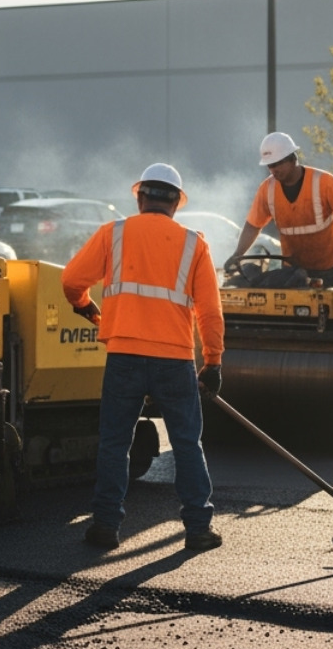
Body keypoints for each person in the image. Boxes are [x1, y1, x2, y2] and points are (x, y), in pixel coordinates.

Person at [63, 163, 226, 552]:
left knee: (115, 443)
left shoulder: (113, 234)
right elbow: (209, 311)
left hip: (124, 355)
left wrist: (85, 306)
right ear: (176, 205)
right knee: (187, 443)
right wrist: (214, 361)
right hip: (174, 359)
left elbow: (71, 281)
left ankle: (105, 526)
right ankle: (198, 529)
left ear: (139, 197)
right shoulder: (194, 244)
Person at [227, 131, 333, 283]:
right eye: (270, 165)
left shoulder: (323, 182)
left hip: (329, 271)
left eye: (277, 163)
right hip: (292, 272)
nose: (274, 169)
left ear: (293, 158)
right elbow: (252, 226)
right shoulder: (267, 189)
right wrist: (237, 254)